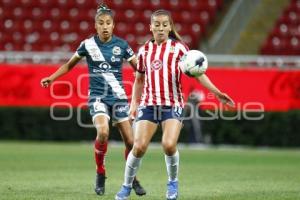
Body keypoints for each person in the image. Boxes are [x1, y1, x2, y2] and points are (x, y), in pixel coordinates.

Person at [115, 9, 234, 200]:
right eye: (157, 24)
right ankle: (126, 186)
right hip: (149, 104)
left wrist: (217, 92)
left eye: (164, 25)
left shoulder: (179, 49)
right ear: (150, 27)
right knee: (138, 147)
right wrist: (134, 104)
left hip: (173, 104)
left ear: (170, 27)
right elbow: (139, 80)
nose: (161, 28)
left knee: (169, 145)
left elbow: (198, 72)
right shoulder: (144, 50)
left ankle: (172, 184)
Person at [40, 4, 146, 197]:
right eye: (101, 23)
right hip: (97, 96)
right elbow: (68, 65)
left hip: (119, 98)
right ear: (95, 25)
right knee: (103, 131)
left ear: (113, 25)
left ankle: (132, 179)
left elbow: (139, 68)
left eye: (108, 23)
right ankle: (100, 172)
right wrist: (52, 77)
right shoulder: (87, 45)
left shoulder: (122, 45)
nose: (105, 26)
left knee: (131, 142)